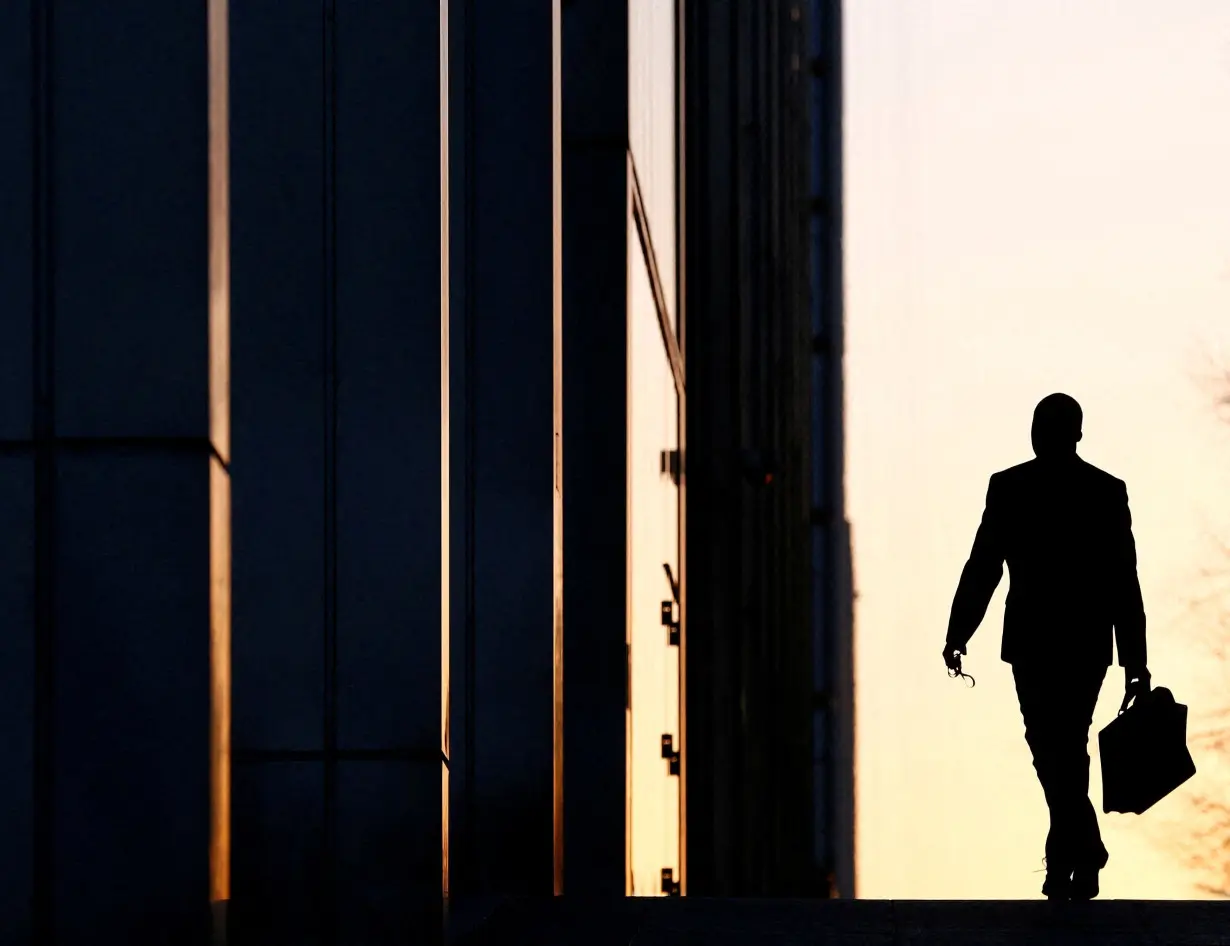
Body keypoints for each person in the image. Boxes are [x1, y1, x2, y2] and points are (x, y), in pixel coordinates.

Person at [941, 393, 1150, 900]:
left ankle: (1070, 860)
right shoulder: (1096, 491)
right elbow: (986, 566)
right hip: (1074, 642)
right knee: (1057, 747)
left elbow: (985, 568)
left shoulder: (1021, 488)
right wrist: (1134, 663)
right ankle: (1082, 852)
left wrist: (958, 633)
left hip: (1046, 642)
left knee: (1054, 746)